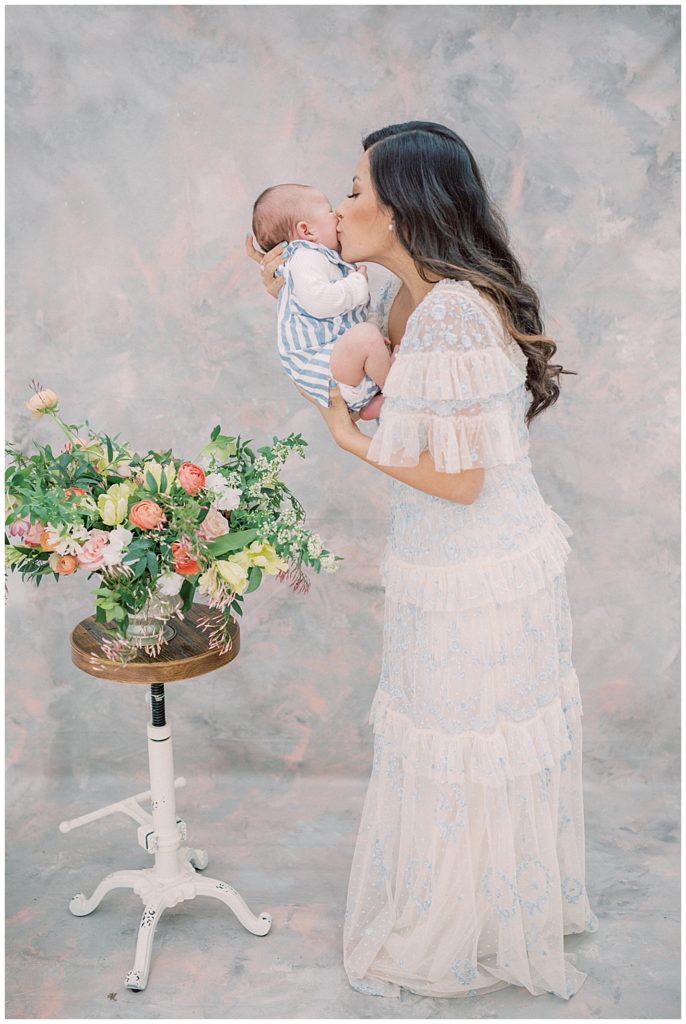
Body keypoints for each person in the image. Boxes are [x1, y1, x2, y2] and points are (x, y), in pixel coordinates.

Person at [246, 120, 599, 1000]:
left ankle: (472, 919)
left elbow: (462, 480)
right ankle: (475, 905)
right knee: (447, 737)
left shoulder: (447, 313)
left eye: (356, 189)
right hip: (443, 561)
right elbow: (374, 376)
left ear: (402, 211)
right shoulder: (400, 301)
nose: (340, 205)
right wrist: (293, 285)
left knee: (466, 738)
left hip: (479, 567)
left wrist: (344, 439)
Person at [251, 183, 394, 421]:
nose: (337, 212)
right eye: (329, 211)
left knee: (369, 335)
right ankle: (398, 394)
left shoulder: (314, 260)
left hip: (338, 365)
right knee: (366, 336)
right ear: (307, 231)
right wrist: (356, 284)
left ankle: (374, 403)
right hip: (327, 369)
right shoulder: (305, 257)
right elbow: (320, 301)